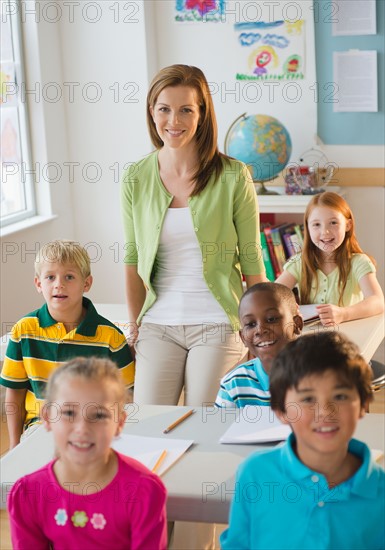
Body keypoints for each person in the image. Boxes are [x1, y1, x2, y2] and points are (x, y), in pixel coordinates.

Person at [121, 64, 266, 407]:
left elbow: (251, 257)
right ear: (151, 112)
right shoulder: (136, 177)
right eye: (164, 109)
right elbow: (131, 257)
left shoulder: (233, 175)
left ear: (202, 115)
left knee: (205, 421)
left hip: (217, 322)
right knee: (149, 424)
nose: (174, 120)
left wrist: (258, 328)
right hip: (158, 324)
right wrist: (134, 325)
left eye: (186, 109)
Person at [220, 331, 385, 550]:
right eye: (308, 399)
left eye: (340, 396)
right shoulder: (255, 473)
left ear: (364, 404)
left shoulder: (379, 491)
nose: (325, 411)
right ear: (281, 410)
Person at [8, 357, 167, 550]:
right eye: (68, 413)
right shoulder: (27, 493)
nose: (82, 429)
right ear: (48, 418)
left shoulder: (144, 491)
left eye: (99, 415)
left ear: (119, 423)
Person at [0, 240, 134, 448]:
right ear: (38, 283)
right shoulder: (23, 331)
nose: (58, 284)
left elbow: (126, 395)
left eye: (69, 277)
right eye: (50, 277)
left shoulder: (110, 337)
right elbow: (14, 393)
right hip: (41, 427)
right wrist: (14, 444)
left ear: (86, 284)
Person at [276, 191, 384, 326]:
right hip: (308, 339)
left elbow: (377, 301)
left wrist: (344, 314)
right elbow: (272, 296)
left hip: (349, 336)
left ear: (348, 225)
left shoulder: (359, 262)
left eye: (333, 222)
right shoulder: (298, 262)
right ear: (307, 228)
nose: (325, 231)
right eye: (316, 224)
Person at [215, 282, 303, 408]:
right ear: (243, 337)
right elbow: (221, 427)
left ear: (297, 324)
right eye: (250, 324)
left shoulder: (324, 374)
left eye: (271, 319)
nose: (260, 330)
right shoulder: (233, 385)